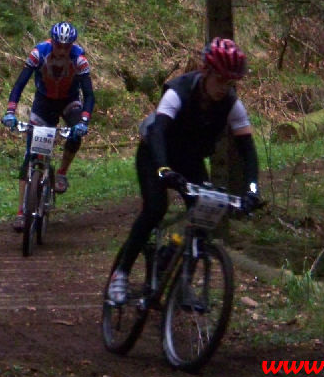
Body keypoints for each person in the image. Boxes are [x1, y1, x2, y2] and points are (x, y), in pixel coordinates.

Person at [107, 38, 262, 304]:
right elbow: (158, 130)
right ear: (206, 71)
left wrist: (252, 189)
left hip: (190, 159)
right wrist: (163, 169)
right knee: (155, 209)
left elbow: (247, 149)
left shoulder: (232, 104)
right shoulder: (178, 91)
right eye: (220, 80)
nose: (224, 88)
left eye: (230, 83)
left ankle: (180, 277)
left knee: (206, 211)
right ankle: (120, 274)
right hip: (156, 153)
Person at [1, 22, 95, 232]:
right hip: (44, 103)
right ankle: (20, 212)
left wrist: (84, 121)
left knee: (76, 133)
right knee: (30, 154)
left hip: (69, 101)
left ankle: (61, 172)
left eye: (66, 46)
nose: (61, 50)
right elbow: (19, 84)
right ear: (52, 42)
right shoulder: (38, 53)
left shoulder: (79, 59)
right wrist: (10, 111)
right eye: (58, 45)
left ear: (72, 45)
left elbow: (89, 95)